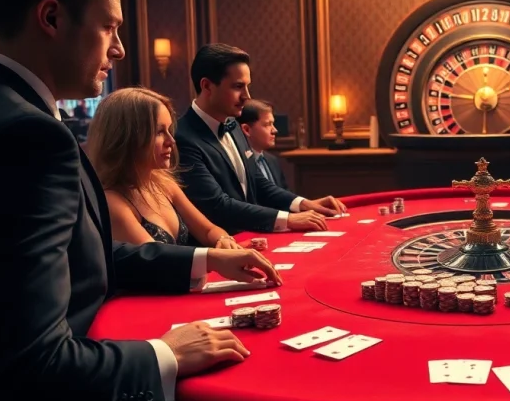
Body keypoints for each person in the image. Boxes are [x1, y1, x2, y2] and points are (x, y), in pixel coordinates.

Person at [0, 0, 282, 401]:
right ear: (51, 17)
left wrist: (207, 260)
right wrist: (165, 354)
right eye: (109, 28)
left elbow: (86, 258)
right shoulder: (25, 137)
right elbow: (31, 364)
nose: (119, 50)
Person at [175, 43, 347, 236]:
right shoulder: (183, 138)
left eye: (247, 86)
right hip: (219, 251)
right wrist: (287, 219)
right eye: (238, 86)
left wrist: (304, 204)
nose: (247, 96)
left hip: (252, 241)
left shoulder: (234, 125)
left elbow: (258, 182)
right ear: (207, 86)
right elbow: (217, 205)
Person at [86, 87, 244, 249]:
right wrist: (213, 258)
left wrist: (223, 240)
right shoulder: (112, 201)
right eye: (159, 132)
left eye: (169, 130)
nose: (171, 141)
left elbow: (208, 230)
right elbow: (160, 264)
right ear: (128, 138)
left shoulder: (163, 183)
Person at [238, 98, 288, 189]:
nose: (275, 130)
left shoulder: (272, 160)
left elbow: (285, 198)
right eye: (268, 124)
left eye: (273, 124)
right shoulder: (237, 163)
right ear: (247, 130)